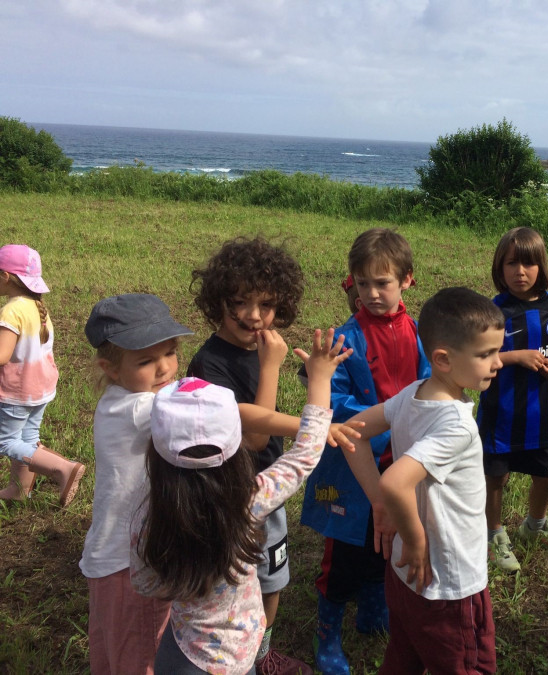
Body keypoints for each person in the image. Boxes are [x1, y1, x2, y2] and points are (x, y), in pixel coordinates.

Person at [130, 328, 353, 675]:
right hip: (237, 660)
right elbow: (305, 454)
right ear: (236, 449)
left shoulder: (149, 514)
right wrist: (319, 379)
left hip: (181, 653)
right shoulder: (250, 500)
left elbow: (146, 584)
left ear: (156, 454)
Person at [339, 286, 504, 674]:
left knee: (404, 654)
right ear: (443, 359)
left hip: (403, 577)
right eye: (486, 355)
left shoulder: (412, 394)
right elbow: (396, 481)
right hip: (447, 582)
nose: (497, 363)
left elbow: (351, 432)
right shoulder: (457, 424)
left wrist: (379, 504)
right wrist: (415, 540)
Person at [300, 229, 430, 675]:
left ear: (407, 281)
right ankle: (328, 632)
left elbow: (432, 384)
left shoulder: (419, 334)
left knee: (388, 545)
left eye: (383, 284)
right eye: (362, 284)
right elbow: (334, 403)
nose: (372, 294)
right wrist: (389, 418)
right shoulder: (344, 339)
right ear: (351, 282)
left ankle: (375, 609)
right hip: (353, 464)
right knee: (346, 552)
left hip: (404, 462)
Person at [187, 235, 311, 675]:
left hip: (268, 491)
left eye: (267, 305)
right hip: (229, 493)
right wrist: (272, 367)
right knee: (228, 579)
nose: (254, 316)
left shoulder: (263, 349)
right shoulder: (209, 364)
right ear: (218, 301)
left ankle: (262, 654)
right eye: (240, 302)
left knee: (272, 577)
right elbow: (254, 439)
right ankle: (222, 650)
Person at [79, 293, 193, 674]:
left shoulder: (117, 399)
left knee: (114, 649)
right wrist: (303, 424)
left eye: (170, 353)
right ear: (110, 368)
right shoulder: (144, 407)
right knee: (144, 656)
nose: (164, 368)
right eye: (146, 361)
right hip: (135, 563)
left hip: (111, 555)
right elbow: (217, 414)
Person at [477, 227, 548, 573]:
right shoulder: (493, 309)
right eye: (512, 263)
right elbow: (480, 358)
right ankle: (494, 533)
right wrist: (516, 357)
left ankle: (535, 524)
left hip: (539, 414)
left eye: (528, 264)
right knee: (496, 479)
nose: (520, 272)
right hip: (500, 415)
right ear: (500, 268)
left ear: (541, 266)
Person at [0, 244, 84, 506]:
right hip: (41, 387)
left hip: (18, 390)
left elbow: (2, 355)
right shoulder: (38, 306)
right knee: (26, 439)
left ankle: (63, 468)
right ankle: (20, 489)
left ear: (5, 277)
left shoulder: (11, 311)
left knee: (5, 441)